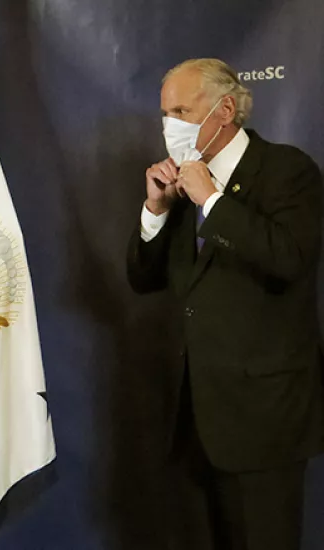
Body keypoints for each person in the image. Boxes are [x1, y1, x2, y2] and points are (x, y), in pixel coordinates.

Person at [127, 58, 324, 549]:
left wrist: (213, 201)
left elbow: (289, 259)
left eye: (180, 109)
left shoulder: (287, 170)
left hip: (263, 423)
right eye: (164, 113)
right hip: (197, 419)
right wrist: (155, 209)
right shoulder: (183, 182)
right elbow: (142, 279)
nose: (169, 124)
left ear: (225, 109)